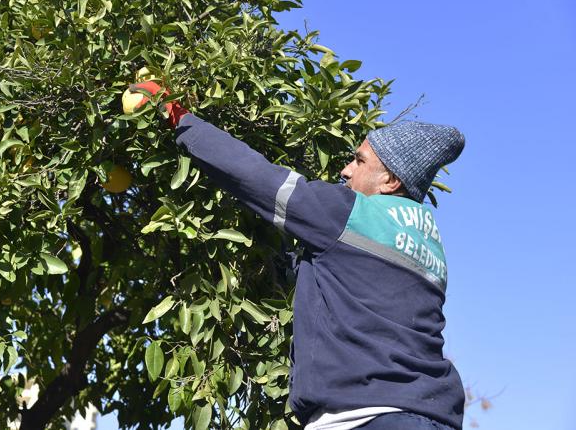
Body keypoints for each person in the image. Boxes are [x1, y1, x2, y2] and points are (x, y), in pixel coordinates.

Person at [129, 81, 467, 430]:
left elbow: (254, 176)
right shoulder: (429, 244)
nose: (346, 170)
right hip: (432, 416)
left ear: (390, 180)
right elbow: (345, 283)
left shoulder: (348, 213)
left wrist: (179, 117)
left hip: (366, 418)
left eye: (359, 160)